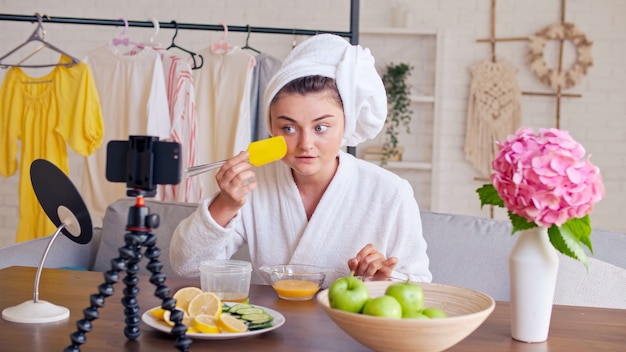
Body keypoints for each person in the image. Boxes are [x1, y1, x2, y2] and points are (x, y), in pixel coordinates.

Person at [170, 34, 432, 286]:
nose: (305, 144)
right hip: (273, 323)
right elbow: (187, 266)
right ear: (271, 127)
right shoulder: (253, 184)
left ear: (346, 124)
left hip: (352, 328)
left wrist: (382, 281)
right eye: (289, 128)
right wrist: (225, 204)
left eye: (321, 128)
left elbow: (420, 283)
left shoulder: (390, 192)